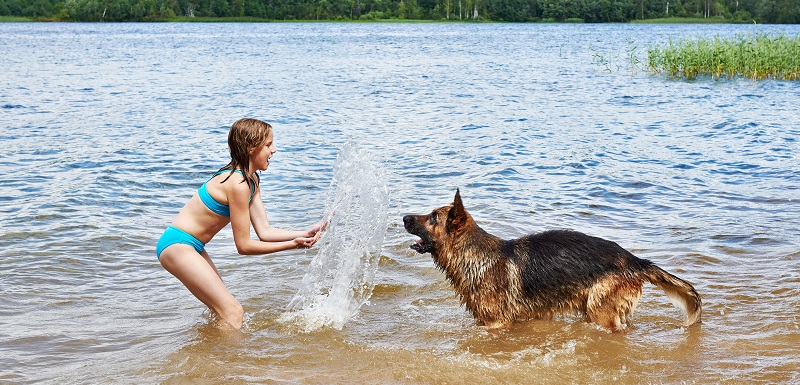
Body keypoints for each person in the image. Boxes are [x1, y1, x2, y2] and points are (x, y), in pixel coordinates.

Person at [156, 118, 326, 330]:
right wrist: (294, 244)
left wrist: (304, 232)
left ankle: (210, 355)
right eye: (268, 145)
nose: (274, 150)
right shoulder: (237, 184)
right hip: (177, 246)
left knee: (221, 311)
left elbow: (264, 232)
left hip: (191, 246)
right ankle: (227, 359)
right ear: (251, 147)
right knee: (233, 311)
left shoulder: (251, 180)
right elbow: (244, 246)